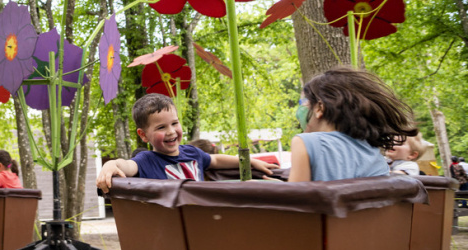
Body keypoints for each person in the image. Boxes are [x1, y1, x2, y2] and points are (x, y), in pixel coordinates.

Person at [97, 94, 276, 192]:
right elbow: (126, 165)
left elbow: (215, 161)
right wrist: (111, 165)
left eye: (174, 123)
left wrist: (250, 161)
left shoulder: (192, 153)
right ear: (143, 135)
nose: (171, 131)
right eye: (161, 127)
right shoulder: (146, 160)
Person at [289, 67, 417, 182]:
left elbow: (295, 202)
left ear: (320, 107)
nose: (301, 108)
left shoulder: (305, 143)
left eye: (303, 102)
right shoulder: (374, 152)